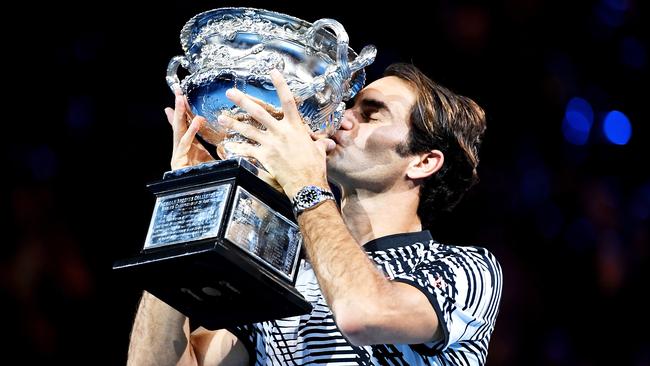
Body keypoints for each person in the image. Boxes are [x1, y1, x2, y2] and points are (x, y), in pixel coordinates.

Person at [127, 63, 502, 365]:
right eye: (348, 106)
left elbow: (362, 314)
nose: (341, 118)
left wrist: (305, 182)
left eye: (371, 115)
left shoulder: (467, 269)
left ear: (423, 161)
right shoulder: (281, 275)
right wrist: (186, 210)